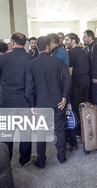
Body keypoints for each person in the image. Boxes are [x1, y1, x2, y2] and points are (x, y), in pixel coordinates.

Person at [26, 36, 71, 168]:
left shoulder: (31, 64)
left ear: (37, 47)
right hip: (58, 102)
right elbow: (68, 79)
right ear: (48, 46)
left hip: (40, 103)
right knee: (60, 128)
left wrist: (32, 104)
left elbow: (29, 87)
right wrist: (64, 97)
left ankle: (41, 161)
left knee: (41, 132)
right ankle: (61, 157)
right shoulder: (57, 61)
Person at [0, 32, 34, 165]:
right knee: (25, 132)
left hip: (6, 101)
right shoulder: (30, 59)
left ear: (12, 42)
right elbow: (33, 82)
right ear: (25, 43)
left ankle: (5, 161)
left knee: (6, 133)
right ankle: (25, 159)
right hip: (25, 101)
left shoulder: (2, 59)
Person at [64, 33, 90, 135]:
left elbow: (70, 71)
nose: (65, 42)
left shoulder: (70, 52)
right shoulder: (82, 50)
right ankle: (87, 128)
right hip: (86, 80)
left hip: (77, 82)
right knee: (85, 105)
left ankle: (79, 131)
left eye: (67, 40)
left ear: (73, 40)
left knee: (76, 107)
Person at [83, 30, 97, 106]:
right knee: (92, 99)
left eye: (85, 37)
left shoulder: (95, 47)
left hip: (96, 78)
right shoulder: (87, 48)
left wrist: (95, 76)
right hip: (90, 77)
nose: (83, 39)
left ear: (90, 37)